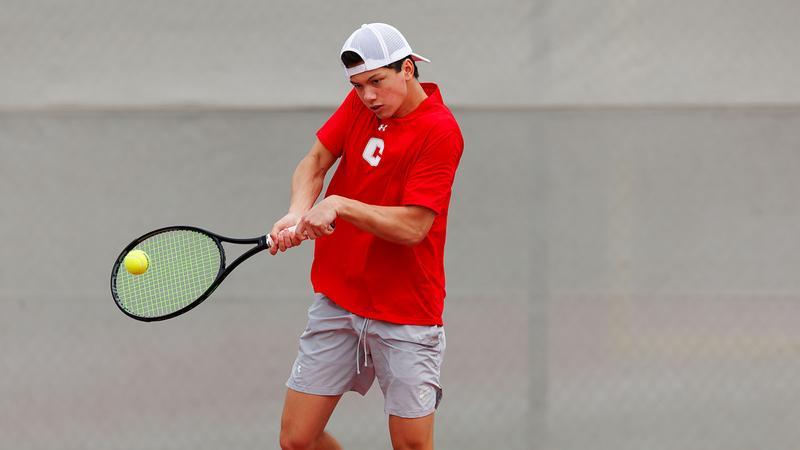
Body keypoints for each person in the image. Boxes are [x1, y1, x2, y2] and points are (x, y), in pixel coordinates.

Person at [269, 23, 464, 450]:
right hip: (339, 301)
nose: (368, 96)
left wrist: (340, 205)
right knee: (297, 439)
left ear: (408, 69)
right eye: (358, 86)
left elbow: (414, 226)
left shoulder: (441, 131)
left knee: (412, 445)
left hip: (406, 311)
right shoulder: (363, 106)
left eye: (376, 81)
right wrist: (298, 212)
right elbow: (316, 161)